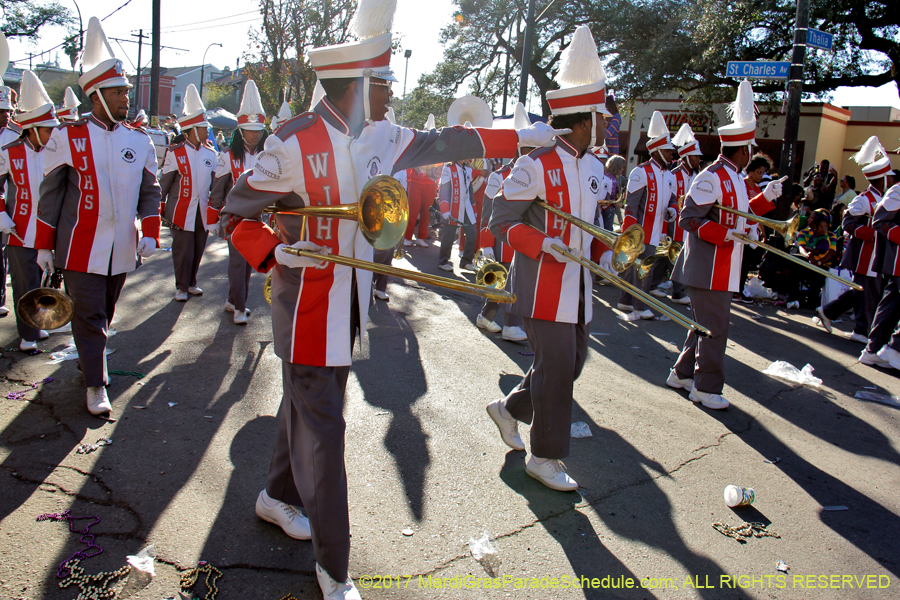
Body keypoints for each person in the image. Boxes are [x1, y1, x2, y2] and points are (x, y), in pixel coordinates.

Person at [219, 0, 563, 595]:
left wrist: (520, 136)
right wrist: (276, 255)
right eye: (383, 83)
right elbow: (234, 214)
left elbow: (448, 141)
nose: (391, 95)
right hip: (304, 314)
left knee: (308, 413)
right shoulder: (292, 142)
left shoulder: (383, 134)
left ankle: (275, 494)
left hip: (347, 308)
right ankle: (335, 569)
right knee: (327, 437)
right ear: (356, 83)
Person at [486, 25, 613, 492]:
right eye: (599, 117)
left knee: (571, 364)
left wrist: (612, 249)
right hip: (542, 285)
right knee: (559, 370)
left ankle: (509, 409)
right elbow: (501, 218)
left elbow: (595, 220)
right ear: (582, 121)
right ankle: (544, 457)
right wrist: (541, 243)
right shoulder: (534, 163)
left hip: (579, 287)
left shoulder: (596, 167)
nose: (605, 123)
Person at [36, 17, 161, 415]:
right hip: (77, 249)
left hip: (122, 247)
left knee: (103, 313)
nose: (126, 97)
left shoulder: (139, 140)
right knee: (90, 316)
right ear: (96, 95)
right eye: (118, 91)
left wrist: (150, 232)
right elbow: (50, 195)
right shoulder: (67, 137)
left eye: (126, 91)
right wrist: (42, 246)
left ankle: (89, 360)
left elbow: (150, 191)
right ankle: (95, 384)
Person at [666, 80, 784, 410]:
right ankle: (705, 388)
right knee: (715, 329)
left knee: (704, 327)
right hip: (708, 268)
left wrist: (765, 200)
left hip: (724, 267)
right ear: (743, 149)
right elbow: (688, 219)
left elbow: (738, 215)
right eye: (750, 147)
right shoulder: (711, 176)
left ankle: (681, 374)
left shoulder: (734, 177)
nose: (752, 152)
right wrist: (724, 234)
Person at [0, 70, 59, 350]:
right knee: (25, 283)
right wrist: (1, 214)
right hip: (19, 230)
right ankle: (27, 335)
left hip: (48, 229)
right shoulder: (9, 152)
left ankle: (36, 325)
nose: (53, 134)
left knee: (44, 281)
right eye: (48, 129)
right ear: (32, 129)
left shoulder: (55, 151)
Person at [208, 80, 268, 325]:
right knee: (237, 261)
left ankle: (233, 300)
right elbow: (218, 189)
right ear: (241, 131)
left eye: (258, 129)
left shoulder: (269, 156)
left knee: (248, 264)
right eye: (250, 129)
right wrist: (213, 218)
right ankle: (240, 308)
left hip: (258, 218)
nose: (255, 134)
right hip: (233, 218)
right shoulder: (227, 155)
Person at [475, 102, 531, 342]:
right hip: (501, 239)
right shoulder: (498, 177)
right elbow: (487, 213)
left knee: (510, 281)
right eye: (529, 147)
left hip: (521, 237)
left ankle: (487, 317)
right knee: (508, 280)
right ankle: (510, 324)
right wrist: (486, 243)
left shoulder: (531, 174)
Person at [159, 84, 218, 302]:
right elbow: (164, 183)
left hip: (202, 211)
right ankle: (181, 286)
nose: (207, 131)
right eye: (204, 128)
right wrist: (159, 209)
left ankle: (192, 282)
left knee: (198, 248)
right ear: (193, 130)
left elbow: (215, 184)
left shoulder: (211, 154)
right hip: (180, 211)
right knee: (182, 251)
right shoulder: (175, 152)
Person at [617, 110, 677, 321]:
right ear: (658, 151)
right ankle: (639, 306)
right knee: (644, 270)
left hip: (657, 231)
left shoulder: (670, 176)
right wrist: (630, 236)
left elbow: (673, 200)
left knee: (638, 270)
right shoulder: (640, 172)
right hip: (641, 231)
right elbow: (631, 206)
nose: (672, 154)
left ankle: (625, 301)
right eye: (668, 151)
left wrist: (673, 210)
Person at [848, 137, 897, 367]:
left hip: (882, 253)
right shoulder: (865, 198)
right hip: (867, 255)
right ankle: (867, 334)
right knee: (866, 296)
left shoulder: (886, 195)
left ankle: (875, 344)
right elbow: (848, 222)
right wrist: (865, 233)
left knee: (880, 299)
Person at [663, 122, 703, 306]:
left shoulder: (697, 176)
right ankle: (678, 292)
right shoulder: (673, 174)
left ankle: (656, 284)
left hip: (689, 224)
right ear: (686, 156)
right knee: (676, 255)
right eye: (695, 156)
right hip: (673, 222)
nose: (698, 160)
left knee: (674, 256)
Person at [867, 177, 900, 368]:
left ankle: (873, 350)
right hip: (897, 259)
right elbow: (879, 220)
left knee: (891, 305)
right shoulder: (898, 191)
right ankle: (895, 348)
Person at [0, 70, 22, 319]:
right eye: (0, 111)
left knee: (1, 255)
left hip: (8, 202)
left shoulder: (16, 135)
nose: (5, 116)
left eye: (7, 111)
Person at [736, 153, 772, 303]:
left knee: (746, 262)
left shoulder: (757, 189)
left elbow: (759, 213)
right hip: (740, 230)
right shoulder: (741, 184)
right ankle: (736, 291)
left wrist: (762, 232)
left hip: (751, 231)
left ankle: (739, 289)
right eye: (759, 172)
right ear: (749, 170)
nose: (760, 176)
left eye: (763, 173)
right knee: (740, 262)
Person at [437, 158, 478, 271]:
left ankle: (466, 261)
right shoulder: (448, 169)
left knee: (472, 233)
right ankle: (443, 261)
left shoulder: (468, 169)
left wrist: (474, 209)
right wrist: (445, 209)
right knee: (448, 236)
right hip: (452, 207)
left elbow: (470, 191)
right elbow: (443, 190)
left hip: (467, 207)